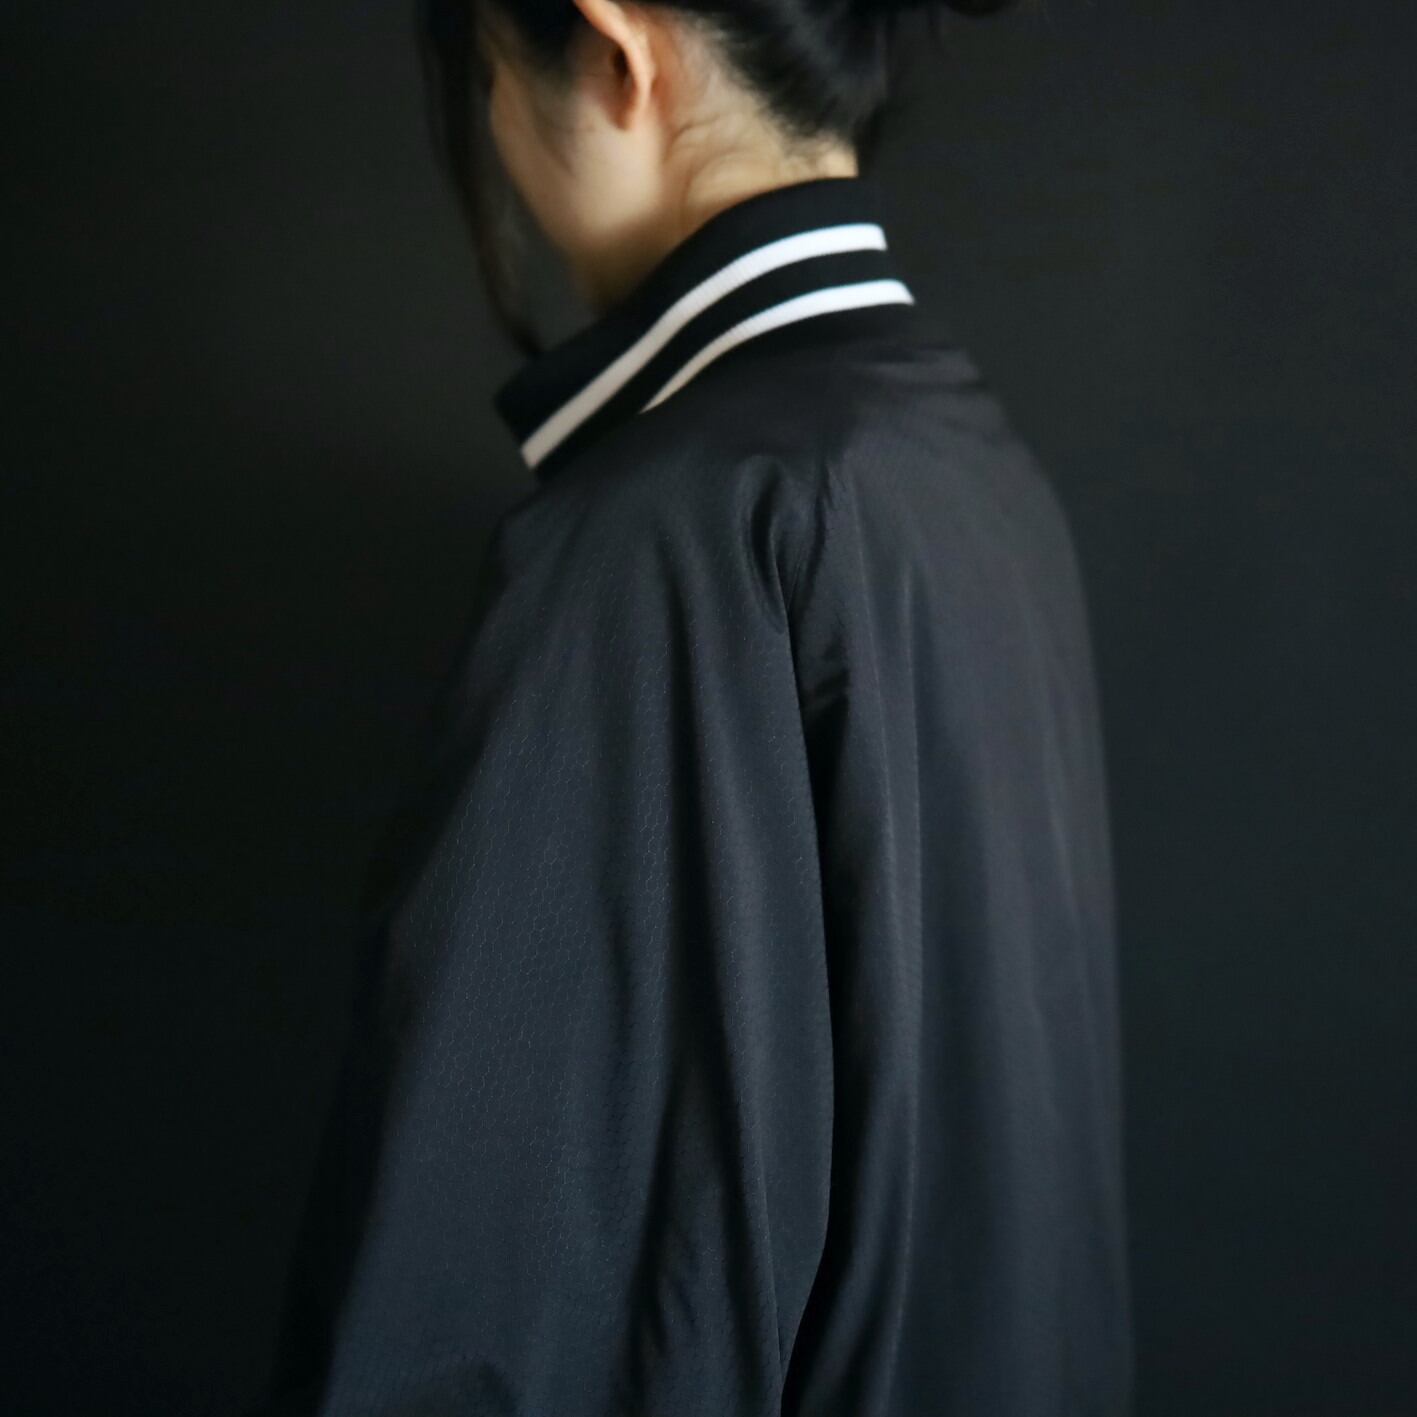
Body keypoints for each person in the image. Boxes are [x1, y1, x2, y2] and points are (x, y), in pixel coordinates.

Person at [256, 1, 1133, 1413]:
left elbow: (494, 1317)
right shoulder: (974, 469)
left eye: (489, 77)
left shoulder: (669, 532)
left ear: (616, 51)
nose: (496, 134)